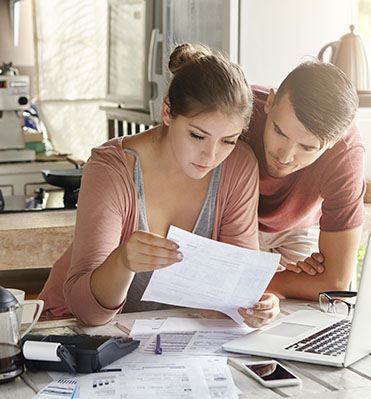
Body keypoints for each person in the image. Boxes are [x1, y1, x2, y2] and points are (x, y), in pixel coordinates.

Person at [38, 43, 280, 328]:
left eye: (228, 140)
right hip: (72, 335)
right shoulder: (111, 169)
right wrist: (122, 262)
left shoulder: (239, 166)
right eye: (197, 136)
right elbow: (87, 314)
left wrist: (257, 305)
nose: (211, 155)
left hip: (163, 340)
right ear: (167, 112)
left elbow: (232, 291)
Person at [244, 60, 365, 301]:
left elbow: (335, 283)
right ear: (269, 102)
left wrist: (253, 279)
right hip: (230, 223)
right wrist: (273, 280)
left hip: (296, 229)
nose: (284, 156)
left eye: (307, 147)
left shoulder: (346, 153)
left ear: (333, 142)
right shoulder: (238, 109)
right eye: (279, 132)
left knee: (306, 314)